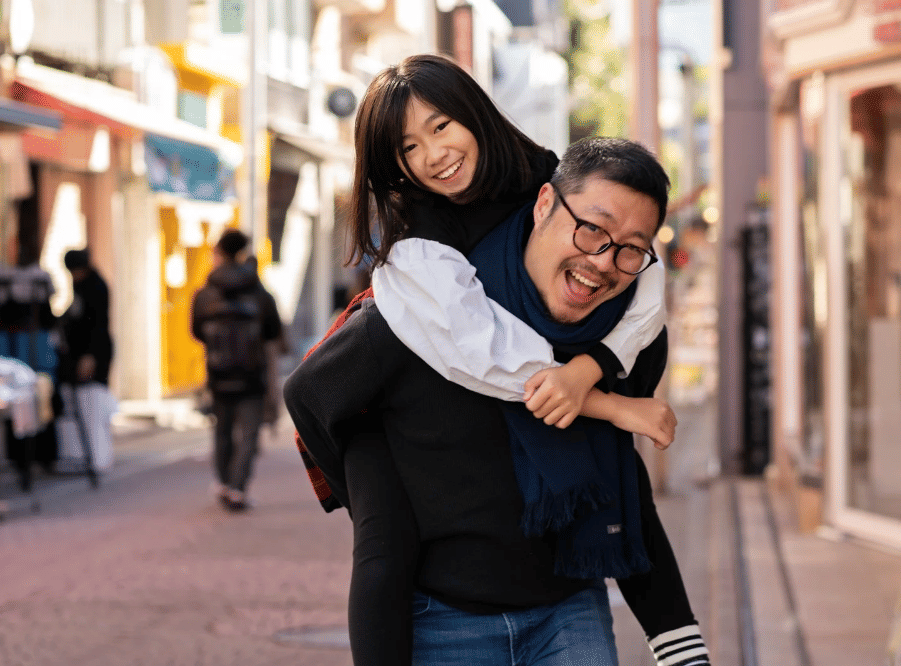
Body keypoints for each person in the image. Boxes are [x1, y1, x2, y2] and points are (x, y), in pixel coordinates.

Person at [291, 55, 709, 666]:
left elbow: (641, 279)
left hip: (567, 606)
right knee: (384, 540)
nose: (434, 154)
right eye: (409, 147)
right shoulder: (420, 269)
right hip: (443, 616)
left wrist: (591, 367)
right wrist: (378, 481)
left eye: (441, 126)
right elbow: (471, 352)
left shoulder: (558, 188)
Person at [192, 229, 284, 512]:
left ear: (219, 252)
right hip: (252, 373)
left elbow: (196, 331)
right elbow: (273, 330)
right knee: (249, 434)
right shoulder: (258, 291)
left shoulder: (205, 293)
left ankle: (223, 482)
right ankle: (238, 488)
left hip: (218, 372)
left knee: (222, 430)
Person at [61, 249, 112, 386]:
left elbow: (98, 323)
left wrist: (90, 355)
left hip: (94, 350)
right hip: (79, 349)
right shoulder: (79, 285)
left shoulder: (96, 287)